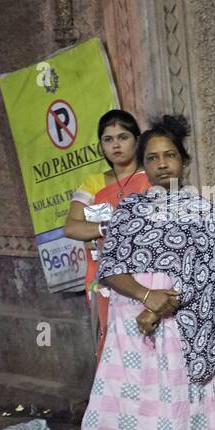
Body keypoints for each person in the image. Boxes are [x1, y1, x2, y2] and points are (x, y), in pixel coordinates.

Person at [81, 115, 215, 430]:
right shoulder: (129, 210)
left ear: (183, 161)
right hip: (130, 332)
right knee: (110, 417)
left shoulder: (199, 210)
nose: (162, 164)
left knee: (181, 422)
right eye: (152, 158)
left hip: (183, 331)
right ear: (143, 164)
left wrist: (160, 307)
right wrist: (144, 297)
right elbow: (111, 267)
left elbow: (205, 276)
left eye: (170, 155)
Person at [64, 110, 150, 362]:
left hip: (146, 274)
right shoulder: (93, 184)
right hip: (105, 276)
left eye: (123, 137)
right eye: (108, 139)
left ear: (137, 139)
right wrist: (108, 226)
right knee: (114, 345)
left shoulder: (150, 178)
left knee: (146, 341)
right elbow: (71, 227)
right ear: (101, 145)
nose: (115, 145)